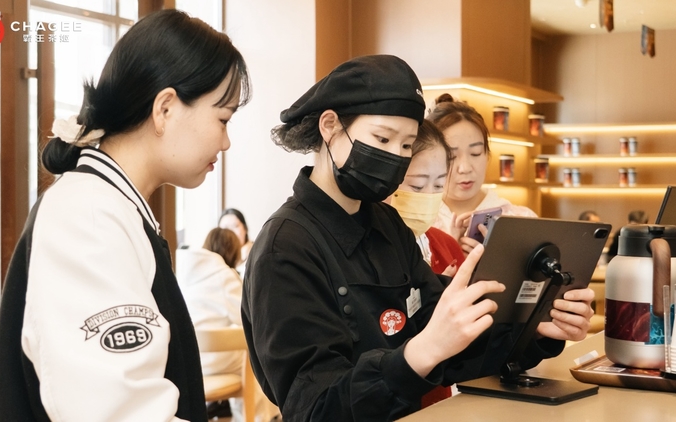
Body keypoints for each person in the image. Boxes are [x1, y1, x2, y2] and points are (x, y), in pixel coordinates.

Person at [241, 55, 594, 422]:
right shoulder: (285, 247)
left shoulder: (388, 226)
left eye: (407, 145)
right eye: (382, 138)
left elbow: (451, 343)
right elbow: (316, 408)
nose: (395, 155)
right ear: (329, 126)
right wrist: (419, 353)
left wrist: (535, 328)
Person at [0, 9, 250, 421]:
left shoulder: (108, 208)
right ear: (165, 108)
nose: (226, 142)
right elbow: (119, 412)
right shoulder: (88, 217)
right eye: (223, 119)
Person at [176, 228, 280, 422]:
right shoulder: (222, 275)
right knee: (255, 360)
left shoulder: (185, 272)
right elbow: (248, 317)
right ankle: (259, 418)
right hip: (215, 361)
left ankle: (227, 408)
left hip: (191, 361)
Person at [427, 95, 537, 256]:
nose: (465, 168)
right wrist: (450, 253)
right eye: (451, 156)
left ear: (487, 155)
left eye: (475, 153)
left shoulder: (521, 221)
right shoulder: (415, 223)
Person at [387, 119, 464, 278]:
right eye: (417, 186)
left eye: (439, 185)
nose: (429, 196)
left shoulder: (449, 247)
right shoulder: (363, 254)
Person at [219, 208, 255, 274]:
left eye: (234, 226)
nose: (230, 231)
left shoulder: (256, 254)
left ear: (245, 229)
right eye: (225, 228)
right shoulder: (216, 258)